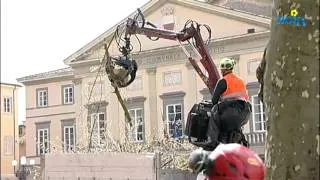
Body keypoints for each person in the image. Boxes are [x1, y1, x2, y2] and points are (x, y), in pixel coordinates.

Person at [205, 58, 251, 150]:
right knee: (235, 124)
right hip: (245, 111)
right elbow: (245, 97)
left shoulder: (223, 81)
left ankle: (212, 140)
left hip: (230, 112)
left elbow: (214, 100)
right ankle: (242, 139)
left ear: (222, 70)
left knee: (214, 111)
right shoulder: (241, 80)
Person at [188, 143, 266, 180]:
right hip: (256, 168)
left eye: (203, 169)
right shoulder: (221, 151)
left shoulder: (221, 157)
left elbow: (239, 173)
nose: (205, 173)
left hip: (253, 170)